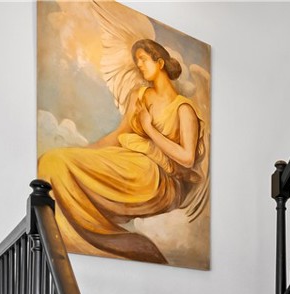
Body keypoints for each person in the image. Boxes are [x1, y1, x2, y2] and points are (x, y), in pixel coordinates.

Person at [38, 39, 207, 264]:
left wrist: (149, 130)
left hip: (157, 179)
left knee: (131, 165)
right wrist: (84, 153)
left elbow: (187, 159)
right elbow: (118, 136)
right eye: (137, 62)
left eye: (143, 60)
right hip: (130, 160)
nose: (140, 66)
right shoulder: (140, 96)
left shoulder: (183, 109)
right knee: (56, 161)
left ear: (159, 63)